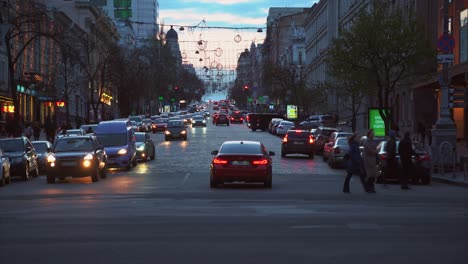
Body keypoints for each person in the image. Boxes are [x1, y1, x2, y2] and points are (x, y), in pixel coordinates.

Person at [363, 129, 379, 193]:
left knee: (373, 175)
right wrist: (376, 151)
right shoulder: (366, 142)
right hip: (368, 160)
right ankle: (369, 187)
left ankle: (371, 187)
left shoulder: (373, 141)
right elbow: (370, 151)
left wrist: (376, 151)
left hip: (373, 160)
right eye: (371, 133)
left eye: (373, 133)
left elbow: (376, 148)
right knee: (369, 175)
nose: (373, 134)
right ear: (369, 134)